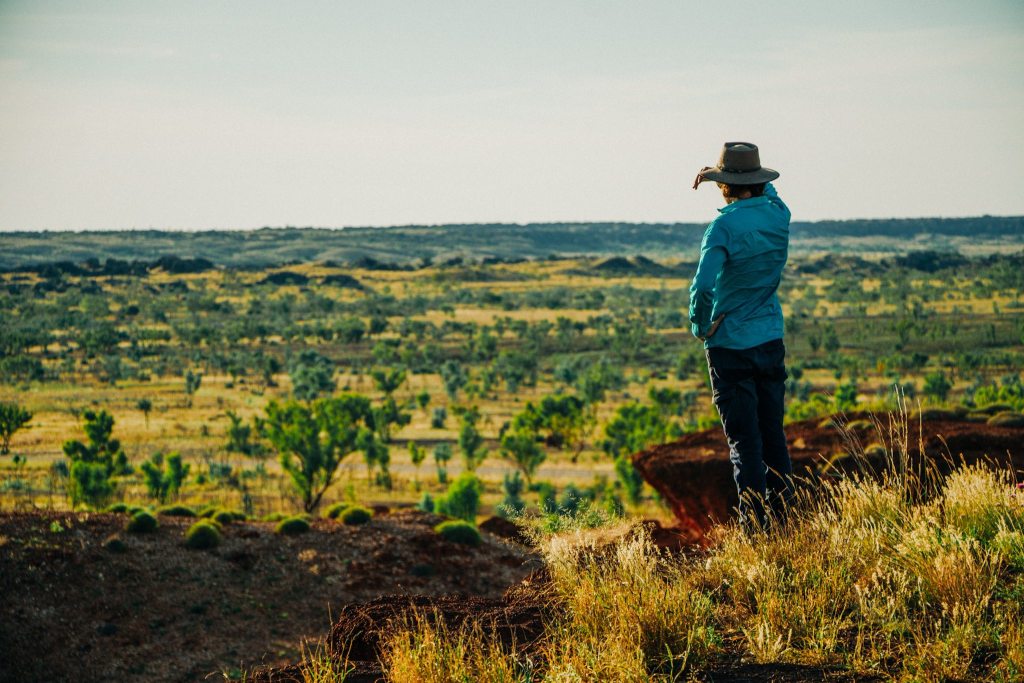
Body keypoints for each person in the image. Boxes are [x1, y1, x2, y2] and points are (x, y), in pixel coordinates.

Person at [690, 141, 793, 532]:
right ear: (759, 179)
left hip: (730, 345)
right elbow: (770, 192)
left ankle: (754, 531)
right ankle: (786, 525)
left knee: (745, 444)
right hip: (769, 339)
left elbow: (703, 287)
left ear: (724, 185)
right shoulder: (779, 215)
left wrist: (700, 325)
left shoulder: (722, 227)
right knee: (773, 437)